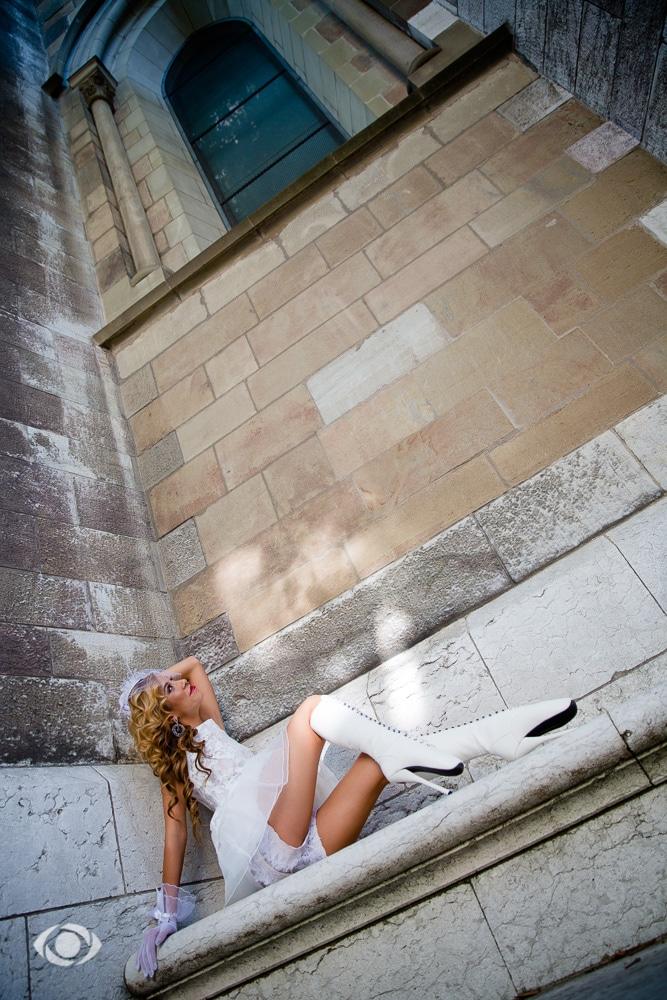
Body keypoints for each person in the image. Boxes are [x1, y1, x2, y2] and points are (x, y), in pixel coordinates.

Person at [120, 655, 577, 980]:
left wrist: (157, 684)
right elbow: (174, 836)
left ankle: (497, 737)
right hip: (270, 853)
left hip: (307, 851)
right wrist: (165, 914)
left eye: (171, 679)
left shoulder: (210, 725)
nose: (179, 682)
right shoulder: (179, 767)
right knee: (310, 713)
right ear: (165, 716)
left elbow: (195, 663)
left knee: (374, 764)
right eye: (168, 689)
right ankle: (414, 747)